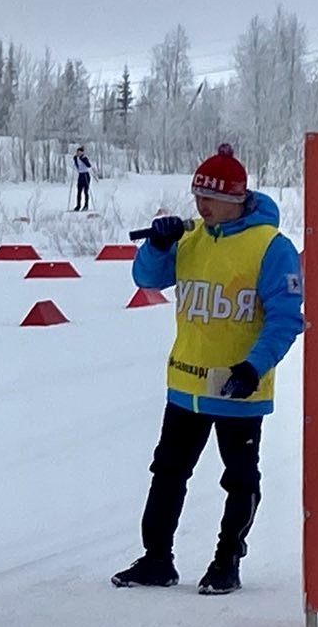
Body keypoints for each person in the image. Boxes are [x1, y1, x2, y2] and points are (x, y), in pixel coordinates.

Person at [111, 144, 304, 595]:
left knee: (238, 478)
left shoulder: (270, 247)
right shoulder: (192, 236)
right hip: (186, 385)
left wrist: (254, 367)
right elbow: (148, 280)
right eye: (197, 196)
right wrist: (159, 245)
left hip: (239, 387)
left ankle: (226, 561)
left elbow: (286, 317)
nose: (201, 206)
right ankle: (157, 558)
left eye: (211, 199)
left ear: (237, 199)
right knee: (167, 473)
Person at [73, 145, 94, 211]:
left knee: (86, 191)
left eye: (80, 153)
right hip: (80, 175)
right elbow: (76, 165)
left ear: (82, 153)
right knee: (79, 191)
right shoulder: (76, 158)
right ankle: (78, 205)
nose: (78, 154)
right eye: (77, 152)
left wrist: (83, 159)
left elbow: (89, 165)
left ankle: (86, 205)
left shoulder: (84, 158)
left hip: (85, 175)